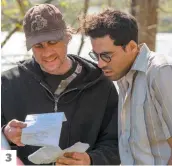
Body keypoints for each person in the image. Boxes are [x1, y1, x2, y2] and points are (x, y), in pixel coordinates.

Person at [1, 4, 120, 165]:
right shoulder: (7, 84)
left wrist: (91, 160)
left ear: (67, 37)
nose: (47, 53)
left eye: (52, 42)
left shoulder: (100, 84)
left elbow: (116, 144)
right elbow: (2, 156)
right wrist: (5, 136)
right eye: (39, 46)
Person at [80, 9, 172, 165]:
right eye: (96, 56)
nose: (100, 64)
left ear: (130, 47)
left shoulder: (160, 71)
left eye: (106, 55)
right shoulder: (123, 77)